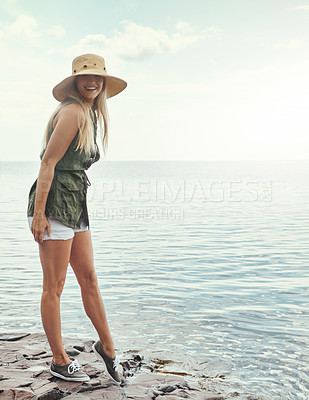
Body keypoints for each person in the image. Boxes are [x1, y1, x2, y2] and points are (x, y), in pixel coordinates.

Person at [27, 54, 127, 383]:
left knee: (90, 280)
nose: (92, 82)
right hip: (55, 202)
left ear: (103, 83)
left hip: (76, 203)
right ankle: (58, 359)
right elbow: (47, 164)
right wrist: (39, 214)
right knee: (54, 287)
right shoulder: (72, 112)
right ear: (75, 81)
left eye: (98, 77)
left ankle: (108, 348)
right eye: (86, 77)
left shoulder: (90, 114)